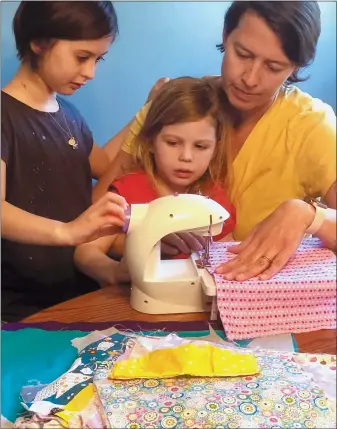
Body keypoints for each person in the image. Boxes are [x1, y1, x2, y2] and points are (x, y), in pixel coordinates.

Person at [94, 1, 336, 282]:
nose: (250, 78)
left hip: (253, 306)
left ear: (296, 66)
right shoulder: (176, 104)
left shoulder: (312, 126)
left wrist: (308, 215)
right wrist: (149, 240)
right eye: (243, 54)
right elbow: (94, 220)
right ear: (225, 35)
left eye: (273, 66)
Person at [1, 1, 129, 322]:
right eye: (82, 57)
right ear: (39, 41)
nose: (90, 73)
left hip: (80, 295)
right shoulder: (4, 116)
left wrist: (146, 116)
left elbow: (105, 165)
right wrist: (68, 232)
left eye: (98, 60)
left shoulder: (69, 114)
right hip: (22, 310)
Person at [74, 77, 236, 285]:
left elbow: (226, 255)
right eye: (173, 143)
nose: (186, 156)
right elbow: (85, 253)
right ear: (150, 142)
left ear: (215, 148)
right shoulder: (126, 193)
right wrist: (114, 272)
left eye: (200, 146)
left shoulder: (215, 197)